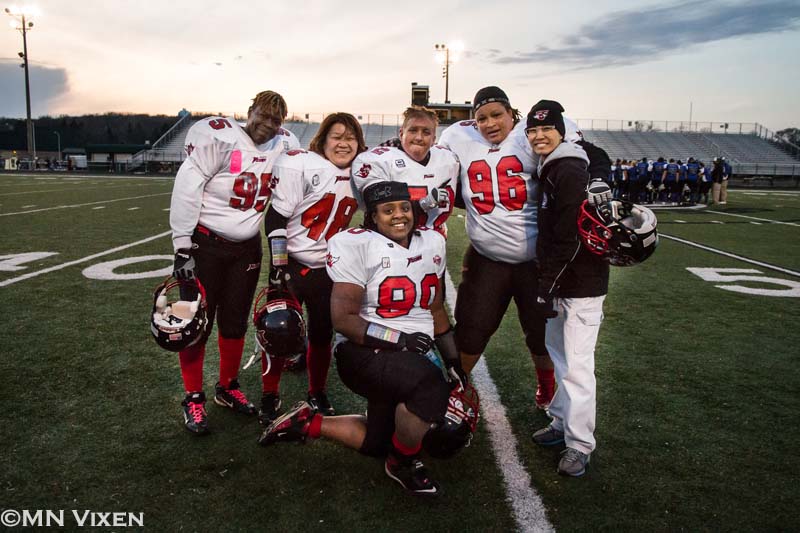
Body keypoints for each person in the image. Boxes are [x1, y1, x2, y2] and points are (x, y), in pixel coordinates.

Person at [259, 181, 466, 497]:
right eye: (388, 210)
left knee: (377, 442)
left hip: (409, 354)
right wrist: (399, 339)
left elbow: (435, 308)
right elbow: (344, 320)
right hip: (363, 351)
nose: (399, 216)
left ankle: (308, 423)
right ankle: (402, 463)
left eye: (404, 208)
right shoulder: (356, 244)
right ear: (372, 217)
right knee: (428, 387)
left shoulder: (432, 243)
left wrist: (453, 361)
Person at [169, 90, 299, 434]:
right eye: (264, 115)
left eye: (276, 120)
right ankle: (193, 398)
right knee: (195, 324)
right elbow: (187, 187)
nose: (268, 125)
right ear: (250, 111)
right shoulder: (219, 136)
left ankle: (227, 387)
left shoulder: (285, 146)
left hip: (246, 248)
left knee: (235, 323)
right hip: (205, 244)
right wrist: (182, 248)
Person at [437, 86, 555, 410]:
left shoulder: (531, 134)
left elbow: (580, 154)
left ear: (511, 113)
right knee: (472, 330)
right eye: (481, 118)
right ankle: (456, 389)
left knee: (541, 332)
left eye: (496, 115)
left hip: (536, 261)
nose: (489, 124)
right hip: (487, 258)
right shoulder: (457, 137)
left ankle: (547, 387)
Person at [258, 112, 366, 424]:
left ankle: (316, 391)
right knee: (277, 329)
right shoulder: (303, 165)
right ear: (322, 140)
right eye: (337, 136)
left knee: (322, 334)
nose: (343, 143)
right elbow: (275, 218)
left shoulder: (361, 174)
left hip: (328, 269)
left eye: (350, 138)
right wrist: (279, 266)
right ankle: (269, 392)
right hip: (291, 263)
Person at [524, 100, 609, 477]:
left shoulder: (569, 167)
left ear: (562, 131)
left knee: (576, 366)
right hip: (565, 282)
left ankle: (580, 444)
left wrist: (546, 285)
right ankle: (561, 421)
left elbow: (570, 236)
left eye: (547, 129)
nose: (539, 135)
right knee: (559, 355)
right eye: (533, 130)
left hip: (580, 284)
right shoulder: (557, 163)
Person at [351, 106, 459, 238]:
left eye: (426, 132)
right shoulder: (379, 159)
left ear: (434, 139)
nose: (419, 137)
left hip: (433, 242)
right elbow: (378, 205)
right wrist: (423, 204)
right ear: (401, 134)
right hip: (387, 243)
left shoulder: (448, 159)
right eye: (413, 130)